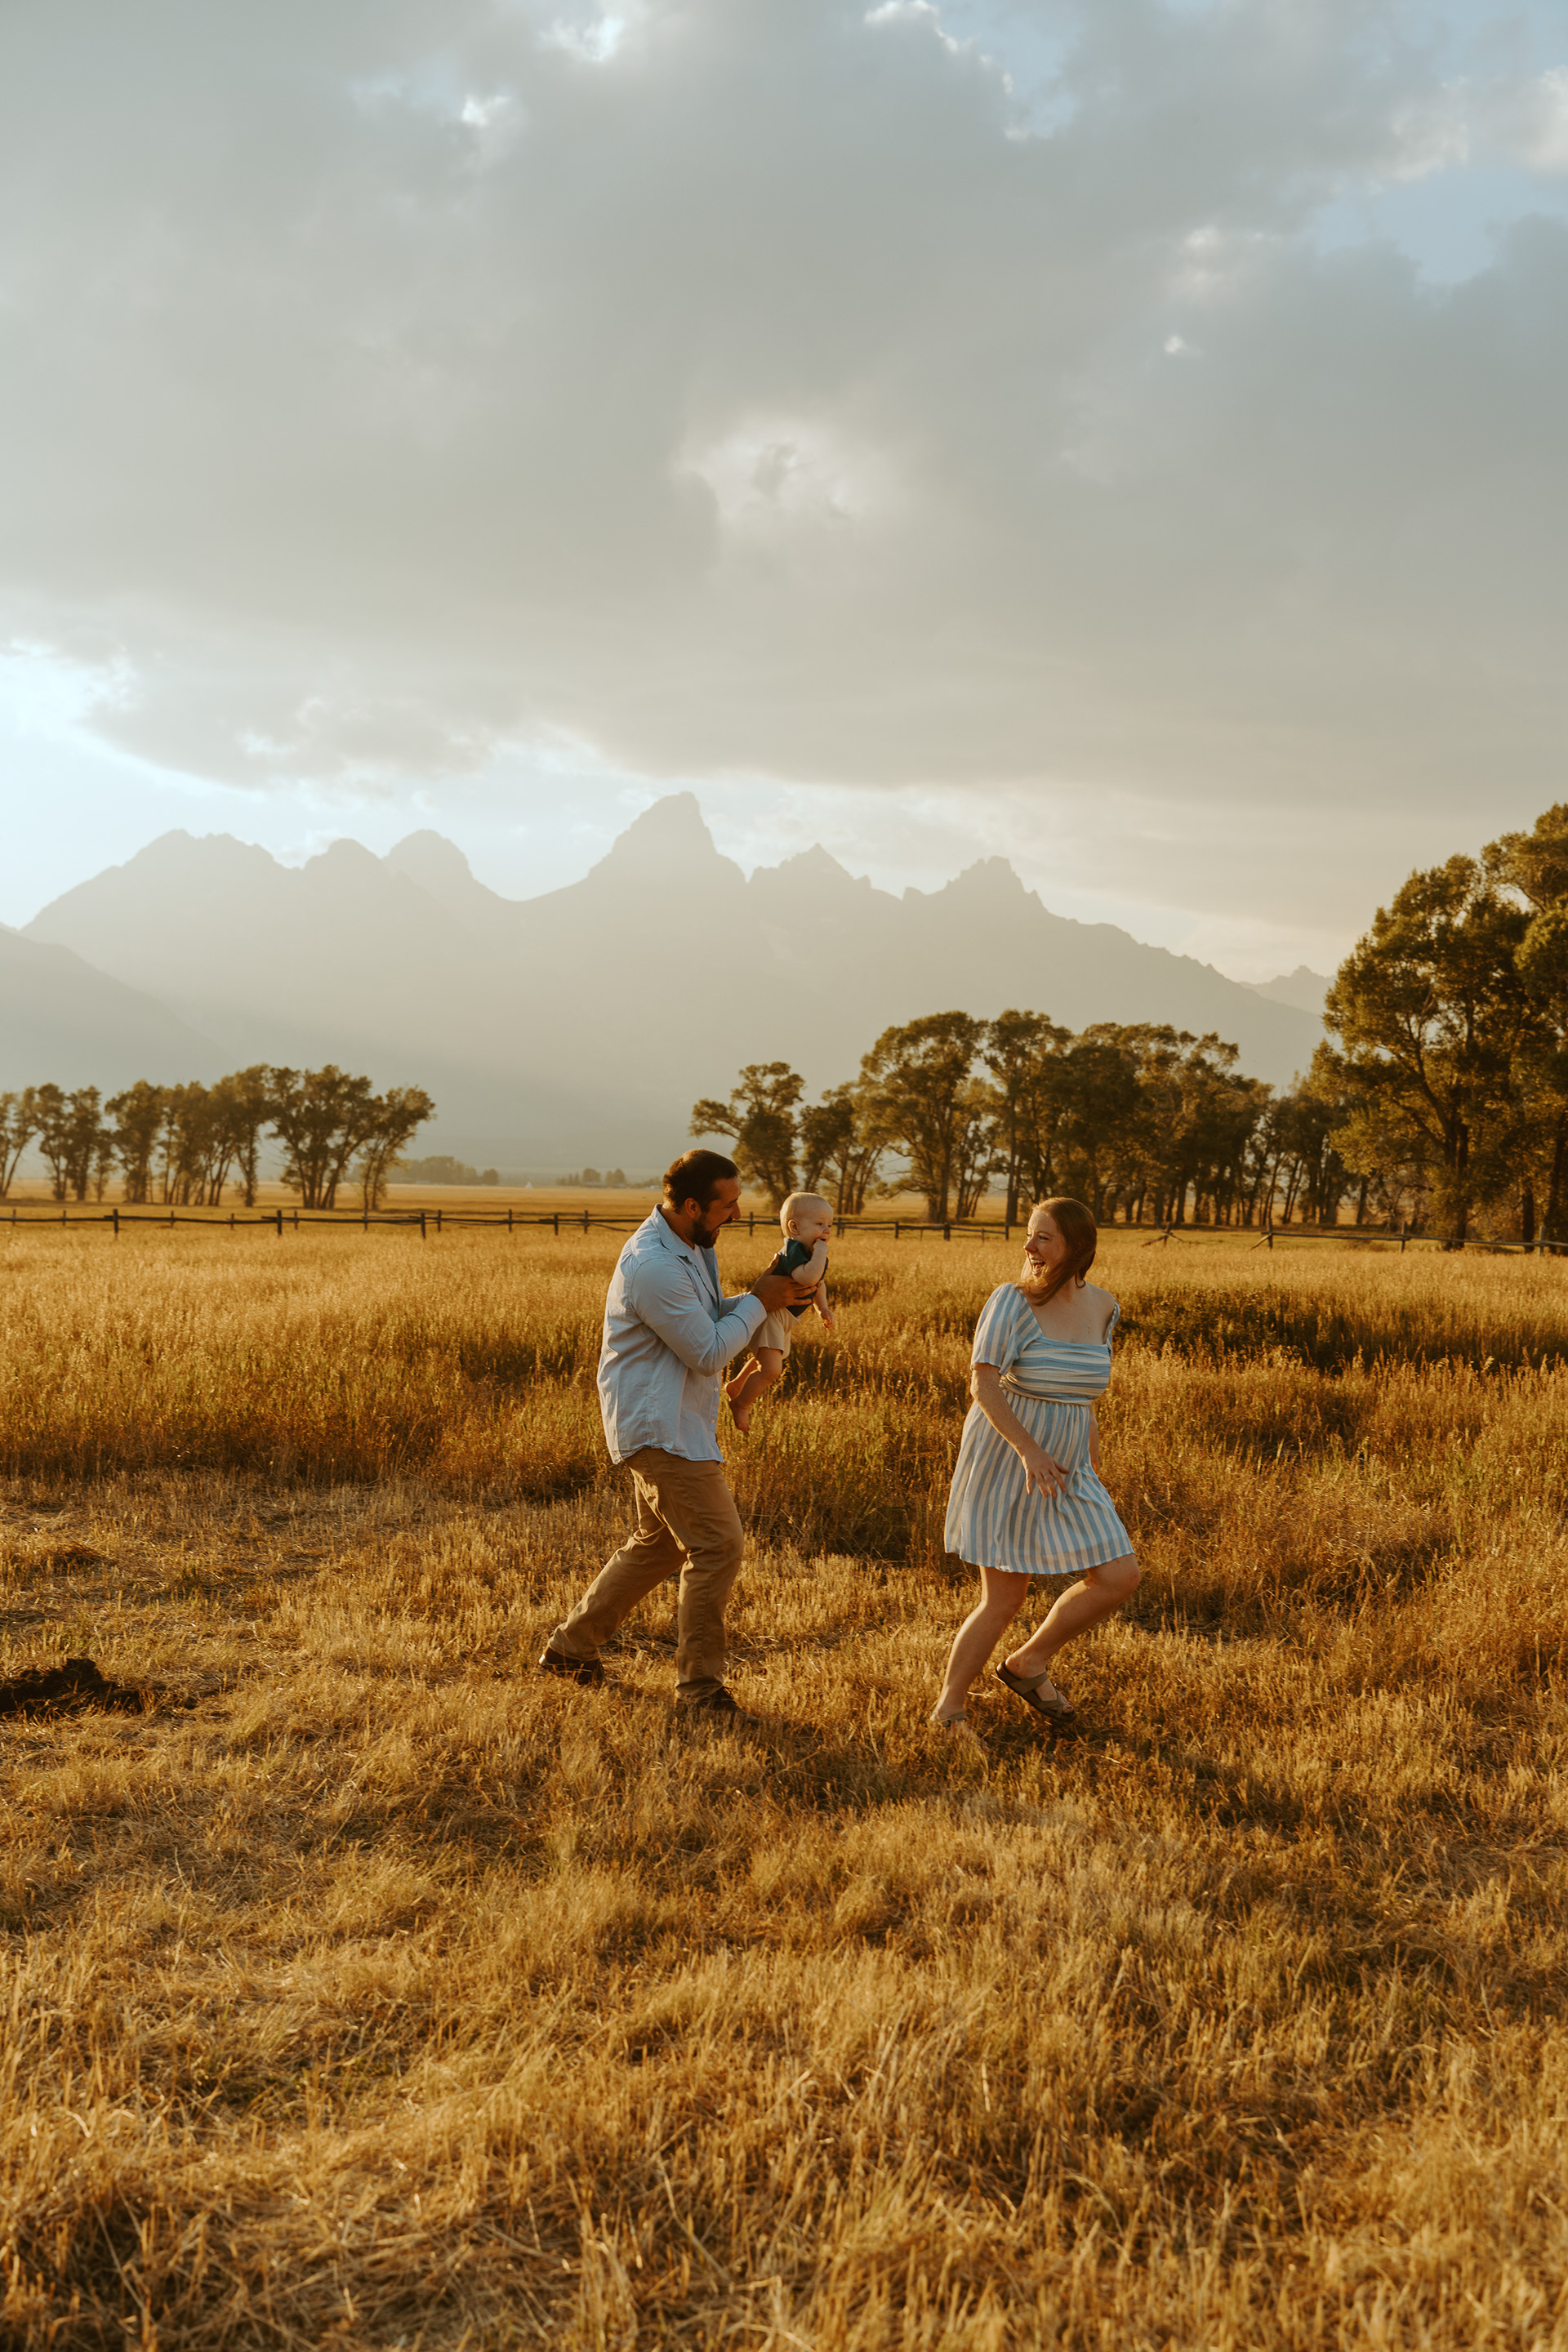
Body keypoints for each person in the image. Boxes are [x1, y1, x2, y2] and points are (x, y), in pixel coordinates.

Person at [540, 1148, 815, 1715]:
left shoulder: (690, 1245)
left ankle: (571, 1649)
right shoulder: (655, 1264)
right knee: (718, 1545)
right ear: (692, 1205)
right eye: (727, 1205)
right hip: (658, 1427)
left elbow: (708, 1317)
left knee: (659, 1545)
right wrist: (760, 1300)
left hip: (673, 1421)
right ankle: (700, 1689)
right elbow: (709, 1350)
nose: (736, 1215)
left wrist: (774, 1298)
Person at [933, 1196, 1139, 1736]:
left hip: (1070, 1463)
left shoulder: (1104, 1307)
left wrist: (1090, 1440)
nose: (1029, 1247)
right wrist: (1029, 1450)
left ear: (1077, 1247)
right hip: (1009, 1456)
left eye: (1043, 1237)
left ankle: (1028, 1662)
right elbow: (982, 1382)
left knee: (1119, 1575)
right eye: (1029, 1235)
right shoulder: (1012, 1301)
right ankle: (949, 1708)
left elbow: (1082, 1387)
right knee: (1005, 1597)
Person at [725, 1191, 836, 1432]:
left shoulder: (811, 1254)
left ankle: (736, 1384)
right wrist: (821, 1254)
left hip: (788, 1317)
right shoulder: (794, 1250)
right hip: (773, 1312)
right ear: (794, 1227)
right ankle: (741, 1404)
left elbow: (818, 1283)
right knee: (772, 1368)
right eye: (819, 1224)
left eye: (829, 1224)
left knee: (767, 1357)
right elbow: (807, 1276)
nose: (826, 1230)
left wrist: (823, 1308)